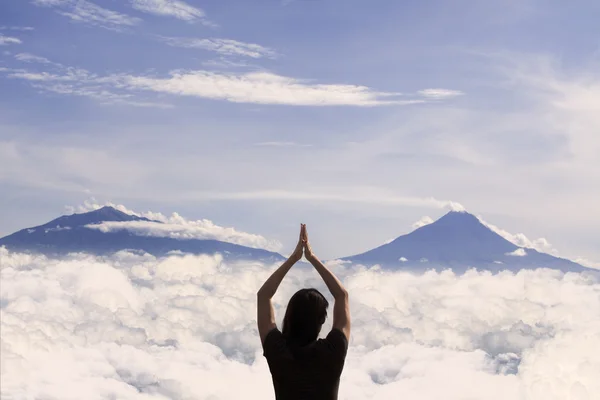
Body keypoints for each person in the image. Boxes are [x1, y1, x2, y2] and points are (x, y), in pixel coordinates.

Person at [257, 224, 351, 400]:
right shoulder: (333, 351)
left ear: (289, 316)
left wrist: (294, 258)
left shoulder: (278, 350)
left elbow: (263, 296)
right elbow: (341, 296)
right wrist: (312, 257)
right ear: (322, 319)